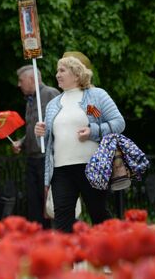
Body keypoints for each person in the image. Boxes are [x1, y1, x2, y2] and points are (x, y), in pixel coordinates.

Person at [34, 53, 125, 232]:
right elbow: (46, 143)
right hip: (60, 170)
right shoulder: (53, 104)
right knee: (62, 219)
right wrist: (40, 134)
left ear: (76, 74)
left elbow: (118, 123)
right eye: (57, 71)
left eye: (62, 70)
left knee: (98, 213)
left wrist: (93, 131)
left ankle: (111, 252)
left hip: (92, 166)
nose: (57, 74)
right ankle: (66, 258)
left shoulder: (94, 98)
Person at [12, 65, 60, 228]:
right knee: (34, 201)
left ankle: (56, 236)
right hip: (32, 157)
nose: (19, 85)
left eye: (21, 81)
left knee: (48, 200)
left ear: (32, 79)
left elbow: (59, 122)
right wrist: (22, 142)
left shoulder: (50, 93)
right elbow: (33, 129)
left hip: (46, 157)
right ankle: (38, 237)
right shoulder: (31, 100)